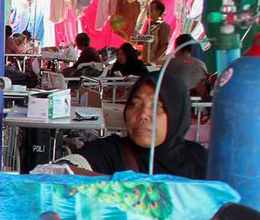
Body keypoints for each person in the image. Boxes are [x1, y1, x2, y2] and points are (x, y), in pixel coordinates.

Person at [73, 72, 207, 178]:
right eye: (135, 104)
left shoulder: (201, 161)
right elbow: (66, 168)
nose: (143, 114)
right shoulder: (110, 152)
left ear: (176, 114)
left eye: (157, 107)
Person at [145, 0, 172, 66]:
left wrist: (154, 60)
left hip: (155, 63)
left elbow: (165, 46)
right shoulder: (149, 25)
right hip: (146, 60)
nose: (148, 12)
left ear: (158, 11)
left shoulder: (163, 26)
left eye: (151, 10)